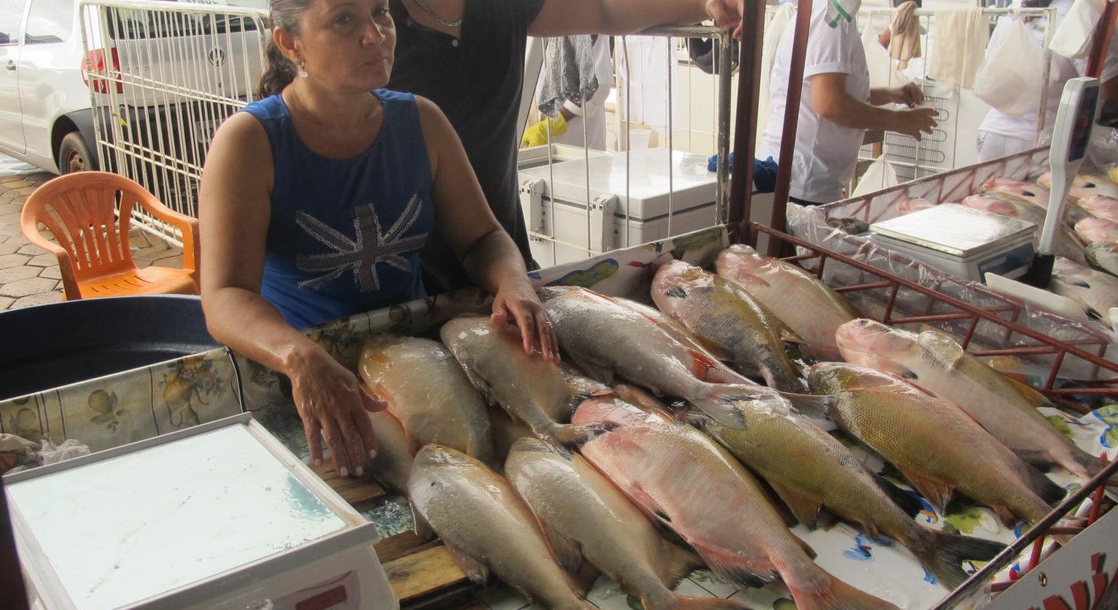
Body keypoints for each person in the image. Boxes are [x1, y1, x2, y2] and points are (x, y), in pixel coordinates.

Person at [198, 0, 559, 479]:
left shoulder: (422, 122)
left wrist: (512, 281)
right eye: (344, 20)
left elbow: (482, 237)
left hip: (415, 359)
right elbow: (225, 295)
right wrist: (299, 356)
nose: (375, 35)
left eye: (381, 13)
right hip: (304, 373)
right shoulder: (249, 142)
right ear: (290, 42)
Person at [386, 0, 744, 293]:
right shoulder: (371, 23)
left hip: (503, 265)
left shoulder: (502, 5)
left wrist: (706, 2)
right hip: (399, 281)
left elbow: (605, 9)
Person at [758, 0, 939, 206]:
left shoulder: (838, 15)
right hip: (801, 180)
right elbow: (831, 104)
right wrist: (899, 121)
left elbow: (831, 90)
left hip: (808, 178)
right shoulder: (830, 17)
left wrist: (893, 95)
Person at [977, 0, 1118, 161]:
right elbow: (1110, 88)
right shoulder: (1083, 14)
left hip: (992, 133)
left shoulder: (1015, 9)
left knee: (991, 186)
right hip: (1045, 141)